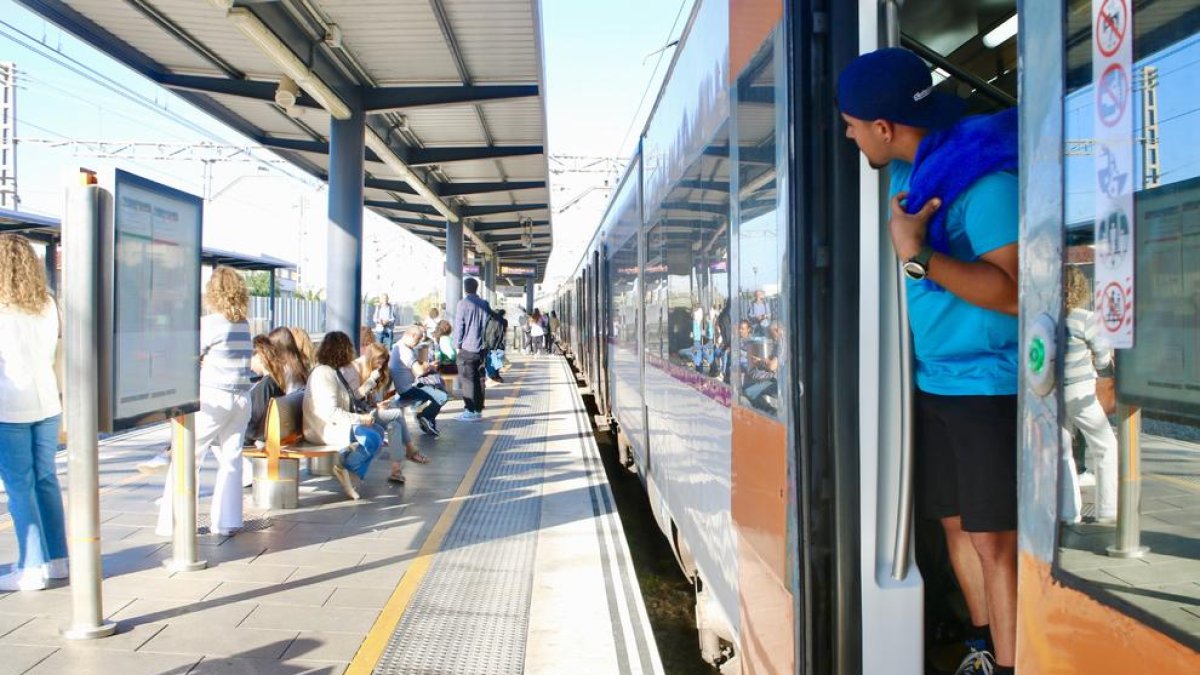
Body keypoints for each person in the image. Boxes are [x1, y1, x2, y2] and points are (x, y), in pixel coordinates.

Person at [839, 48, 1019, 675]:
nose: (848, 133)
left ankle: (1015, 663)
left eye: (853, 123)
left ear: (884, 128)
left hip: (989, 387)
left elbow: (1016, 291)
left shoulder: (984, 184)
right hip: (936, 381)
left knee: (996, 541)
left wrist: (917, 256)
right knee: (956, 526)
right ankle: (982, 648)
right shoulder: (911, 172)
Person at [156, 266, 256, 538]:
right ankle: (227, 521)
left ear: (213, 293)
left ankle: (173, 522)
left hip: (213, 398)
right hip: (241, 400)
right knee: (232, 460)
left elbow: (188, 356)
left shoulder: (212, 323)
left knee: (187, 456)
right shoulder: (243, 324)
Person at [0, 234, 68, 591]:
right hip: (47, 404)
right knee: (45, 480)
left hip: (9, 405)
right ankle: (57, 561)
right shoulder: (48, 304)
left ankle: (29, 568)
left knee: (19, 485)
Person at [1062, 266, 1117, 523]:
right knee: (1106, 445)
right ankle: (1107, 510)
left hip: (1051, 392)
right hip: (1079, 390)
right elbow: (1103, 355)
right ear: (1081, 288)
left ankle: (1068, 512)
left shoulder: (1047, 318)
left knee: (1062, 451)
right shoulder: (1084, 318)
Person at [302, 331, 383, 500]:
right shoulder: (324, 373)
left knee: (379, 433)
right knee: (372, 438)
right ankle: (347, 468)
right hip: (322, 428)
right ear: (342, 350)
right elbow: (330, 412)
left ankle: (351, 473)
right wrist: (360, 419)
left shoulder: (331, 372)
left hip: (330, 425)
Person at [351, 342, 411, 484]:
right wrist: (371, 380)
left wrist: (380, 403)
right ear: (371, 358)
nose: (380, 365)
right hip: (359, 414)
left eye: (383, 362)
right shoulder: (357, 367)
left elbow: (374, 399)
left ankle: (396, 470)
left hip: (371, 411)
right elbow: (356, 396)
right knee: (397, 414)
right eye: (378, 361)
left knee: (394, 425)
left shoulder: (379, 372)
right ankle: (410, 447)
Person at [389, 325, 444, 445]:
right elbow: (419, 372)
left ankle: (427, 421)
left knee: (436, 388)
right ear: (412, 335)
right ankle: (424, 417)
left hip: (404, 388)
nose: (418, 342)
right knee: (442, 396)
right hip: (409, 389)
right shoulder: (405, 351)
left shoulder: (398, 346)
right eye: (418, 339)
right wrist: (429, 366)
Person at [455, 278, 496, 420]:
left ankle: (469, 411)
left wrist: (457, 346)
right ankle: (478, 409)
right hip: (483, 348)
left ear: (465, 289)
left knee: (467, 379)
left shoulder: (463, 304)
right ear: (477, 288)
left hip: (467, 347)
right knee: (479, 379)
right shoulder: (484, 304)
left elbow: (460, 326)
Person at [484, 308, 508, 385]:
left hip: (488, 343)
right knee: (495, 359)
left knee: (491, 360)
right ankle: (495, 376)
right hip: (496, 344)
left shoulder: (488, 320)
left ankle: (494, 376)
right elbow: (503, 333)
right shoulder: (502, 321)